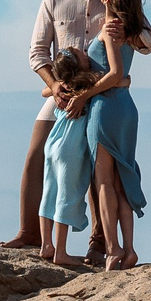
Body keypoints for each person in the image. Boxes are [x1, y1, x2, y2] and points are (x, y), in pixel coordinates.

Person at [3, 0, 151, 255]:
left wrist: (130, 31)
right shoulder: (55, 0)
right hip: (62, 91)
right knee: (38, 155)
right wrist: (55, 85)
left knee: (97, 168)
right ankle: (29, 233)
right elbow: (37, 53)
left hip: (102, 94)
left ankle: (99, 242)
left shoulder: (114, 2)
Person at [65, 0, 151, 269]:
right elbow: (121, 73)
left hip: (106, 107)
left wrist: (83, 95)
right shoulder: (130, 31)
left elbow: (114, 74)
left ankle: (113, 248)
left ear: (112, 0)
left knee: (103, 180)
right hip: (126, 106)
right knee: (120, 179)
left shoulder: (110, 30)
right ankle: (129, 249)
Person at [35, 49, 99, 267]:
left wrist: (55, 86)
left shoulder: (62, 88)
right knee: (67, 195)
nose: (86, 53)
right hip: (69, 147)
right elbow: (111, 82)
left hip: (52, 144)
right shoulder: (87, 84)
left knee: (49, 191)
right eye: (82, 55)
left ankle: (46, 245)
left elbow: (45, 92)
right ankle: (61, 251)